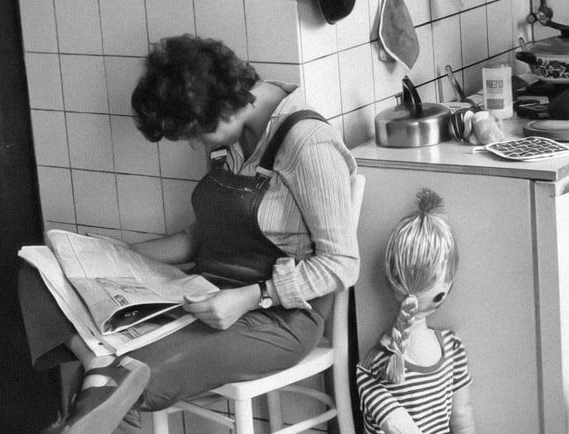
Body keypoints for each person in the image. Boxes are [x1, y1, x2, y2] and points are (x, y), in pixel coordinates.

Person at [18, 34, 359, 433]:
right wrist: (117, 255)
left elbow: (342, 264)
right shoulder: (229, 134)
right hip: (202, 294)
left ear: (223, 107)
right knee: (39, 273)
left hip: (277, 318)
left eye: (197, 134)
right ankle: (97, 366)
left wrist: (253, 296)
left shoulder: (309, 144)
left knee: (122, 382)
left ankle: (98, 381)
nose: (196, 145)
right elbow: (201, 238)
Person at [355, 189, 477, 434]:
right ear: (444, 290)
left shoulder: (381, 360)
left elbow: (462, 418)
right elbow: (462, 418)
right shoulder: (450, 349)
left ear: (391, 282)